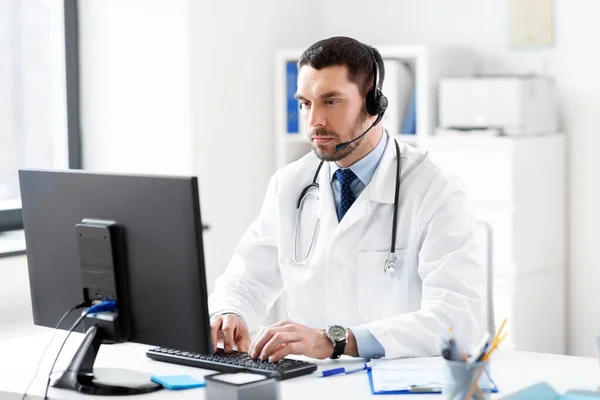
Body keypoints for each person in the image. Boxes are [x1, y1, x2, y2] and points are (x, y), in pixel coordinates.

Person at [208, 36, 484, 363]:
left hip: (398, 381)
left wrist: (338, 341)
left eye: (331, 101)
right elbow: (247, 279)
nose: (313, 122)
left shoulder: (435, 190)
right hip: (311, 381)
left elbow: (459, 319)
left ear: (373, 105)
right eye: (305, 103)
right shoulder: (290, 185)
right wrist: (231, 313)